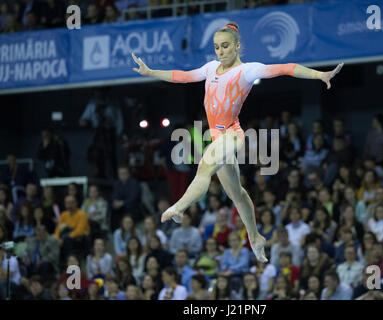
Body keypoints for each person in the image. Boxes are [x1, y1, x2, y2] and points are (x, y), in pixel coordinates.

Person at [132, 21, 343, 263]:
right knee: (237, 194)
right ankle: (255, 237)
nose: (220, 52)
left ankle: (178, 207)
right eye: (217, 47)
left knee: (204, 167)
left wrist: (319, 74)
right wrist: (151, 72)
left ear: (237, 46)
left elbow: (286, 68)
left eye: (225, 46)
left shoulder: (247, 71)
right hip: (216, 136)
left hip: (232, 134)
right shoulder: (211, 68)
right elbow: (182, 76)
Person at [54, 195, 90, 262]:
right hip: (66, 237)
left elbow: (79, 231)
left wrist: (63, 239)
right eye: (67, 203)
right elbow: (58, 230)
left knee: (67, 239)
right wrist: (57, 239)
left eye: (71, 203)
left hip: (80, 238)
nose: (69, 205)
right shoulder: (64, 214)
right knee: (54, 240)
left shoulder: (82, 214)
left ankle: (70, 261)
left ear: (76, 203)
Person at [111, 165, 142, 230]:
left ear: (128, 174)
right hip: (121, 207)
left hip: (133, 206)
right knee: (113, 208)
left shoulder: (134, 183)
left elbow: (134, 197)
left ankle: (130, 227)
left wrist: (122, 203)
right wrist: (115, 202)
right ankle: (115, 230)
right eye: (120, 174)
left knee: (129, 206)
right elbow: (115, 195)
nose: (122, 175)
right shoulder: (117, 184)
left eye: (124, 173)